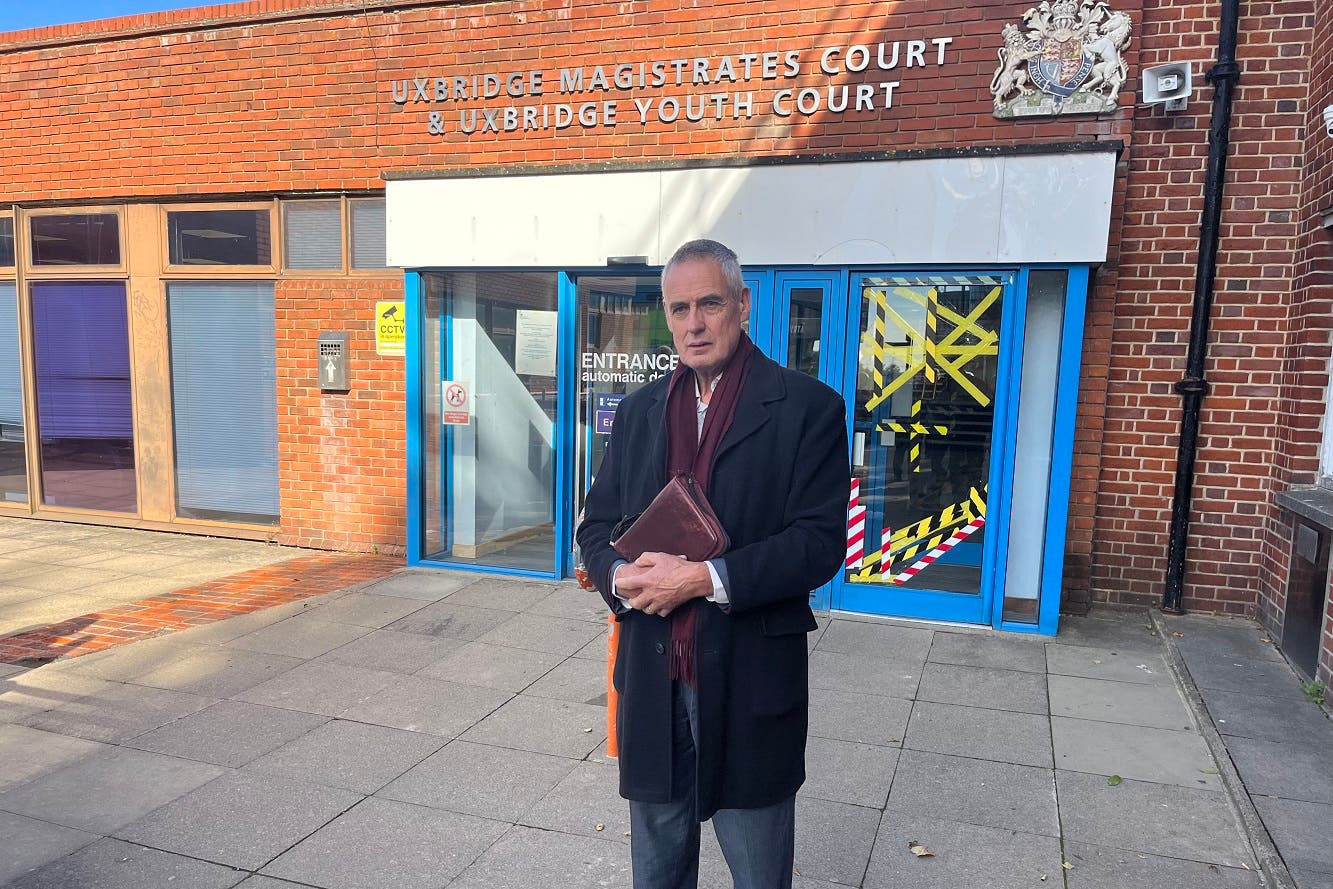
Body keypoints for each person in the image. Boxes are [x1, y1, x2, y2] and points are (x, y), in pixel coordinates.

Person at [576, 239, 849, 889]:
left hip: (750, 668)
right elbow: (594, 524)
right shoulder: (641, 410)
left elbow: (818, 543)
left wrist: (701, 578)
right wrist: (619, 577)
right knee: (658, 862)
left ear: (742, 305)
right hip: (650, 668)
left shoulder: (808, 407)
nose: (693, 323)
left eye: (709, 303)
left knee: (756, 865)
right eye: (678, 309)